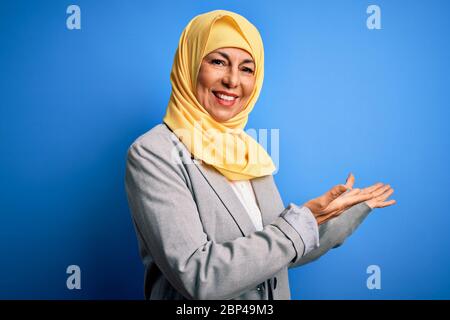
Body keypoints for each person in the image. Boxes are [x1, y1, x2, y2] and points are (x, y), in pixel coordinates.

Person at [124, 9, 395, 300]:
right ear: (190, 65)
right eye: (218, 62)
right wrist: (300, 222)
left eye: (247, 68)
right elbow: (198, 276)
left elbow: (278, 252)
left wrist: (336, 215)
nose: (232, 80)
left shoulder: (248, 152)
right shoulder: (153, 153)